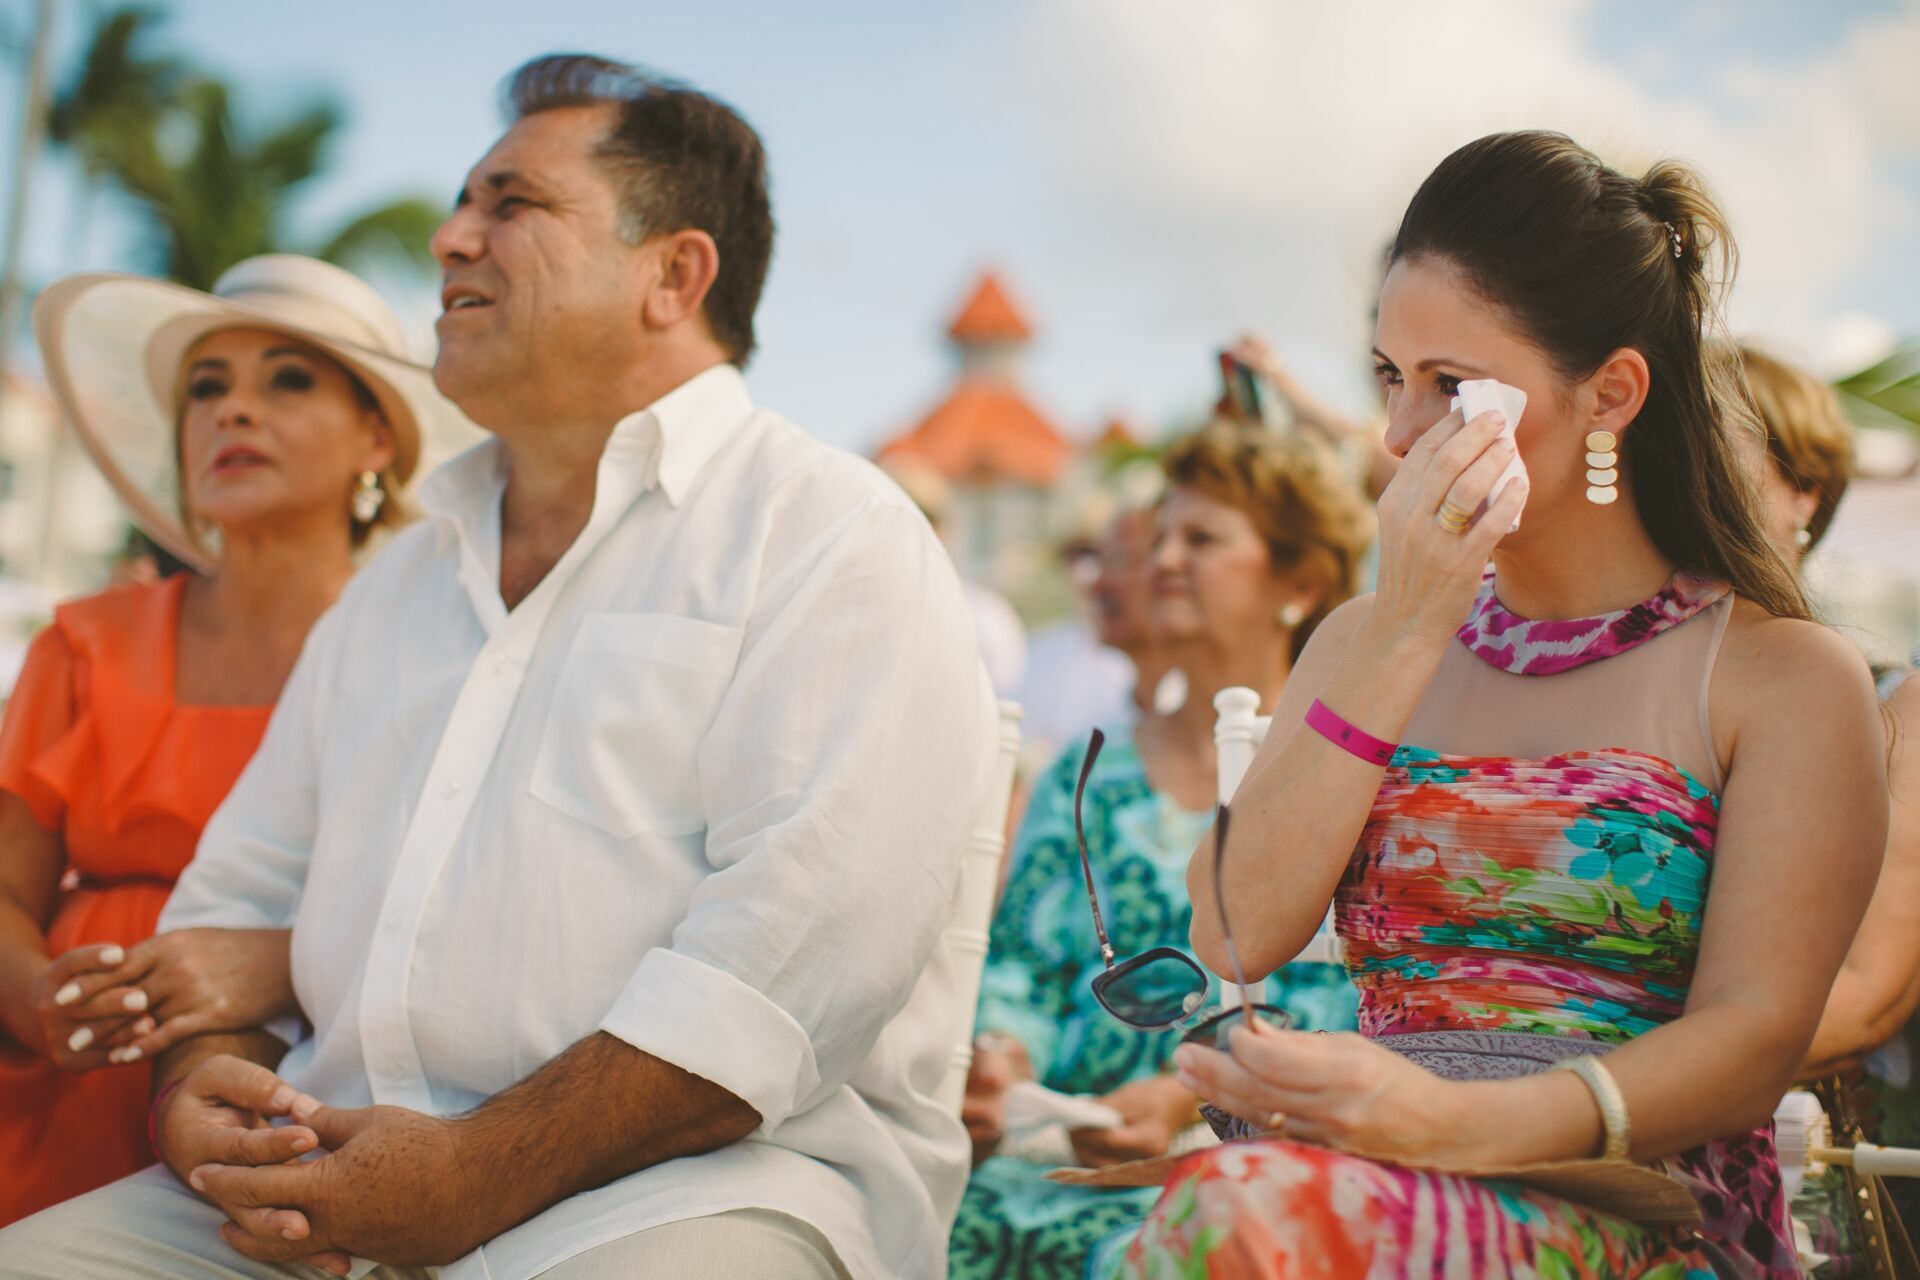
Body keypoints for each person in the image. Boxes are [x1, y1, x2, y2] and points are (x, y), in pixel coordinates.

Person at [0, 54, 996, 1280]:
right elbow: (238, 896)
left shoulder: (828, 531)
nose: (447, 236)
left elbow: (800, 956)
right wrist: (206, 1093)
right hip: (316, 1165)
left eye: (510, 204)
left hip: (694, 1192)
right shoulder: (394, 590)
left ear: (674, 274)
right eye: (463, 203)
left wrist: (474, 1170)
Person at [1127, 131, 1887, 1279]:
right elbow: (1232, 929)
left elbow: (1748, 1041)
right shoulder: (1364, 640)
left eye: (1451, 387)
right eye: (1390, 377)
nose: (1397, 436)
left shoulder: (1781, 675)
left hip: (1644, 1208)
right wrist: (1405, 631)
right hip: (1364, 1170)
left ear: (1611, 395)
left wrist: (1453, 1125)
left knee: (1241, 1218)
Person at [0, 254, 441, 1225]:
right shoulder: (83, 639)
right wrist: (42, 996)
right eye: (208, 388)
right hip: (55, 1098)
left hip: (299, 1100)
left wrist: (280, 959)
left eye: (287, 378)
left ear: (377, 434)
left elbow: (460, 912)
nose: (232, 411)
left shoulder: (436, 658)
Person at [951, 423, 1372, 1280]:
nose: (1164, 560)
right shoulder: (1089, 769)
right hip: (1062, 1150)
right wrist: (1004, 1054)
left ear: (1300, 580)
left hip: (1259, 1165)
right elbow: (1022, 962)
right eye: (1160, 538)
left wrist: (1193, 1093)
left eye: (1202, 538)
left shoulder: (1352, 771)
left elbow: (1360, 998)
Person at [1731, 343, 1920, 1264]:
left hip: (1809, 1181)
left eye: (1719, 455)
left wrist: (1593, 1078)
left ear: (1804, 490)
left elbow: (1868, 996)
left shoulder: (1896, 706)